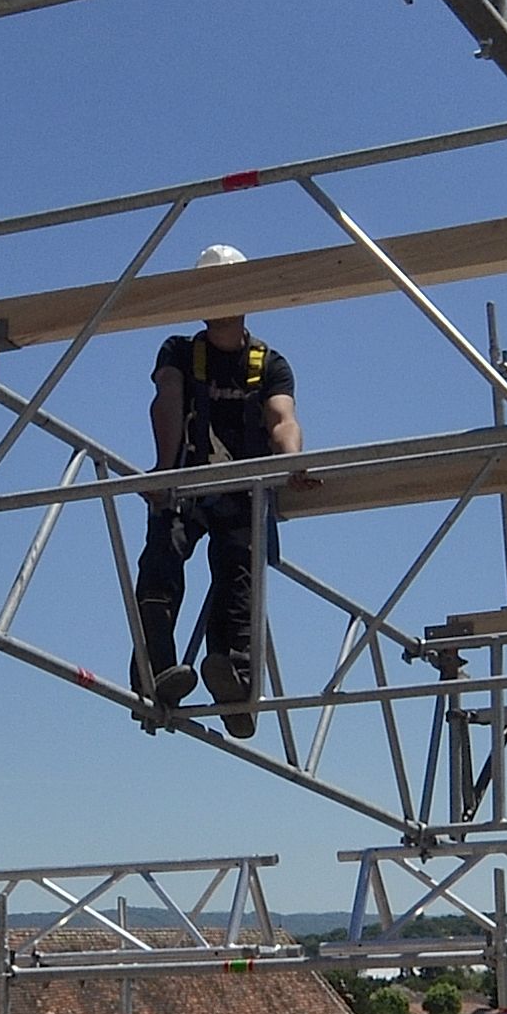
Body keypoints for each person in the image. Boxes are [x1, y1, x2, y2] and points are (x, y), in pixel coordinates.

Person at [132, 246, 302, 737]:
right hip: (186, 481)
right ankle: (154, 673)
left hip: (240, 492)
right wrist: (165, 472)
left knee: (238, 579)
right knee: (161, 565)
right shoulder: (180, 352)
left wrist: (291, 464)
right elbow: (166, 401)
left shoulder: (269, 363)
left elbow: (282, 419)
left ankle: (236, 684)